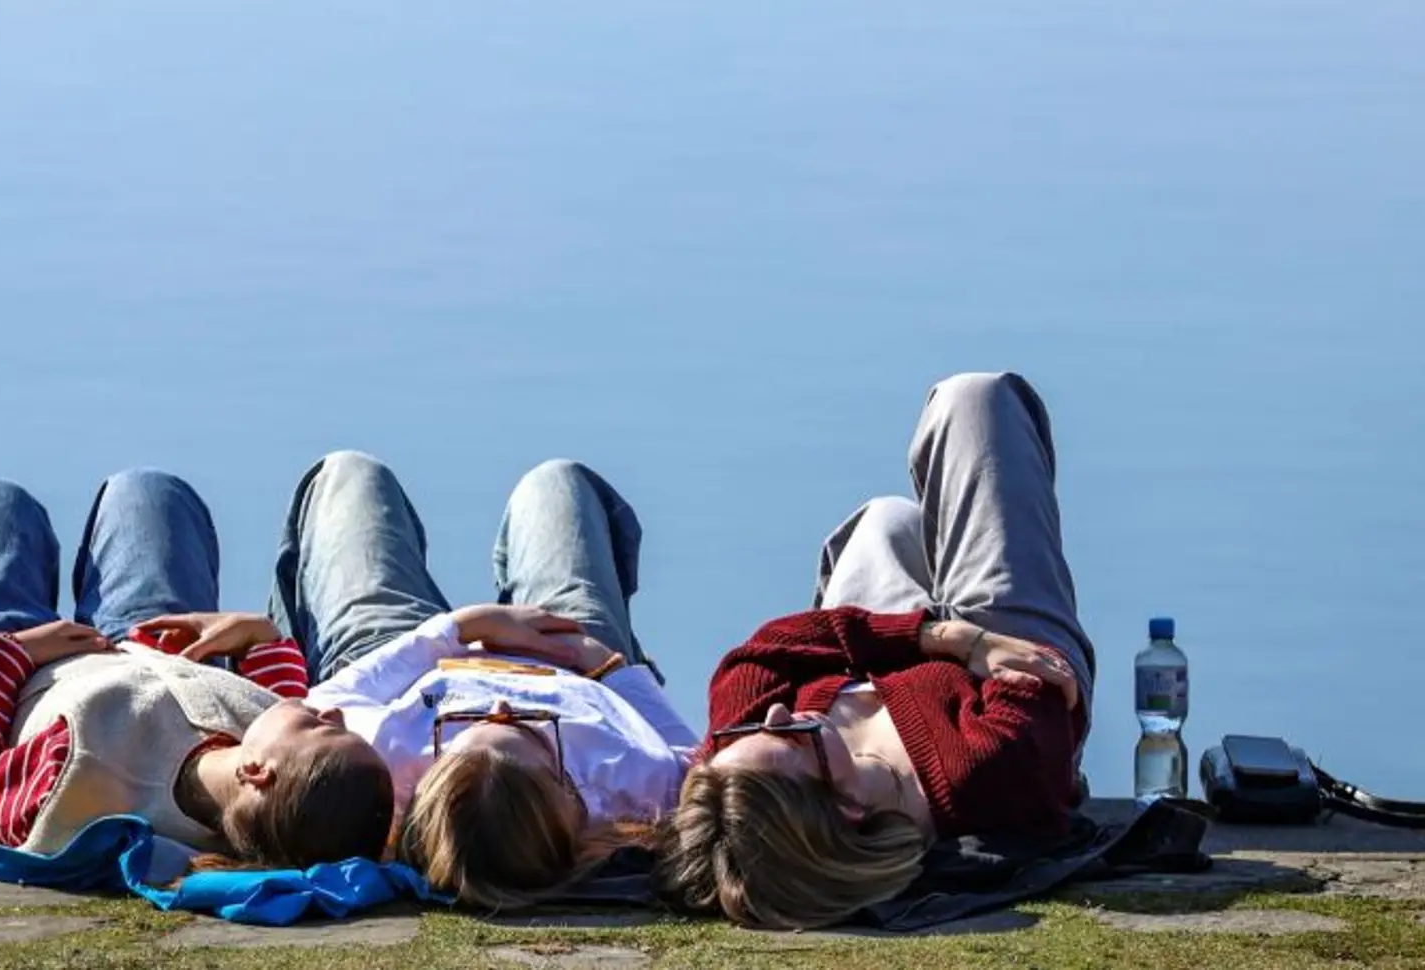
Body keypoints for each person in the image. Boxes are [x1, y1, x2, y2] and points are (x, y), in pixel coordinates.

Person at [657, 373, 1095, 930]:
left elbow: (760, 654)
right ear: (848, 808)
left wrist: (940, 637)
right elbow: (1032, 686)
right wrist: (980, 637)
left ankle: (934, 593)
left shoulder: (739, 778)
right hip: (1018, 648)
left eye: (738, 736)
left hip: (924, 646)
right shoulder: (981, 773)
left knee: (884, 521)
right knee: (977, 404)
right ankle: (950, 573)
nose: (773, 715)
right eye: (792, 736)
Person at [274, 452, 701, 910]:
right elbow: (696, 757)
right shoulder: (636, 788)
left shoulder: (387, 771)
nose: (499, 709)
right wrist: (610, 667)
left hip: (409, 660)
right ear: (569, 795)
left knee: (349, 475)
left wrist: (462, 628)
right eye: (530, 730)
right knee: (558, 483)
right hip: (575, 659)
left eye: (462, 729)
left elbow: (320, 703)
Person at [0, 472, 394, 865]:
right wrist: (258, 638)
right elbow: (274, 702)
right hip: (139, 652)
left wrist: (4, 658)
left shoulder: (79, 774)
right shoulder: (257, 796)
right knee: (152, 493)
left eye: (318, 727)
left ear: (255, 770)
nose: (336, 716)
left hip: (1, 691)